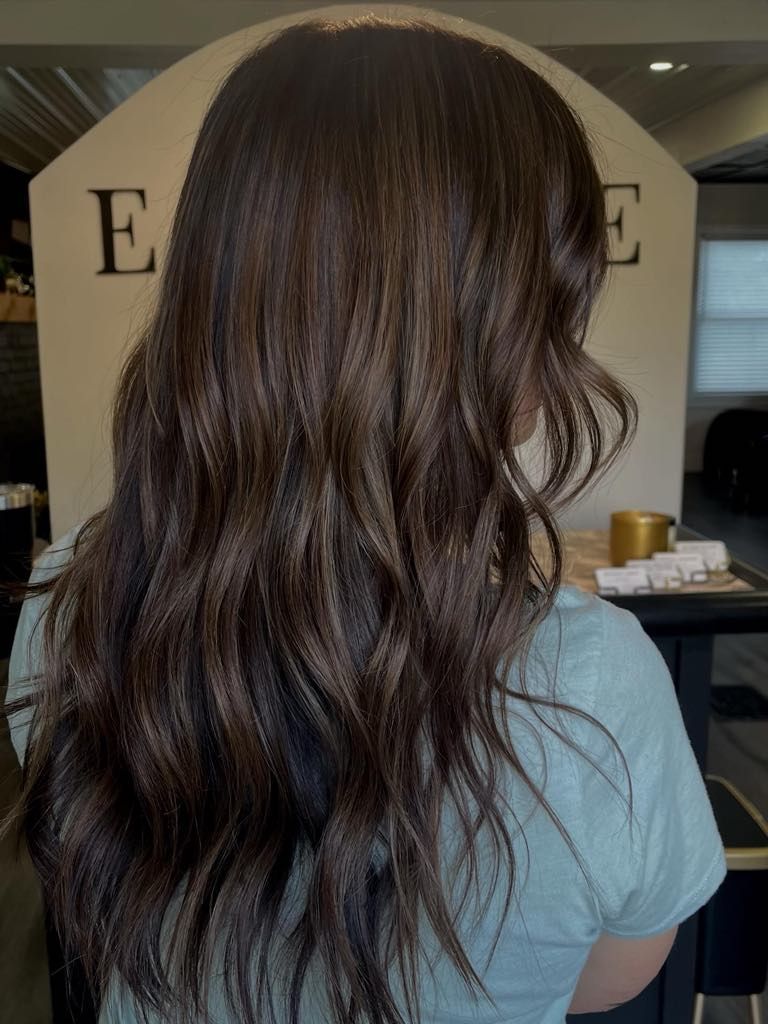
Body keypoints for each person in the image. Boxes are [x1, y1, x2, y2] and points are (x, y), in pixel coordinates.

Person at [5, 16, 724, 1024]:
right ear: (500, 341)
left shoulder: (66, 606)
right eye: (553, 308)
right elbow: (614, 973)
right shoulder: (599, 684)